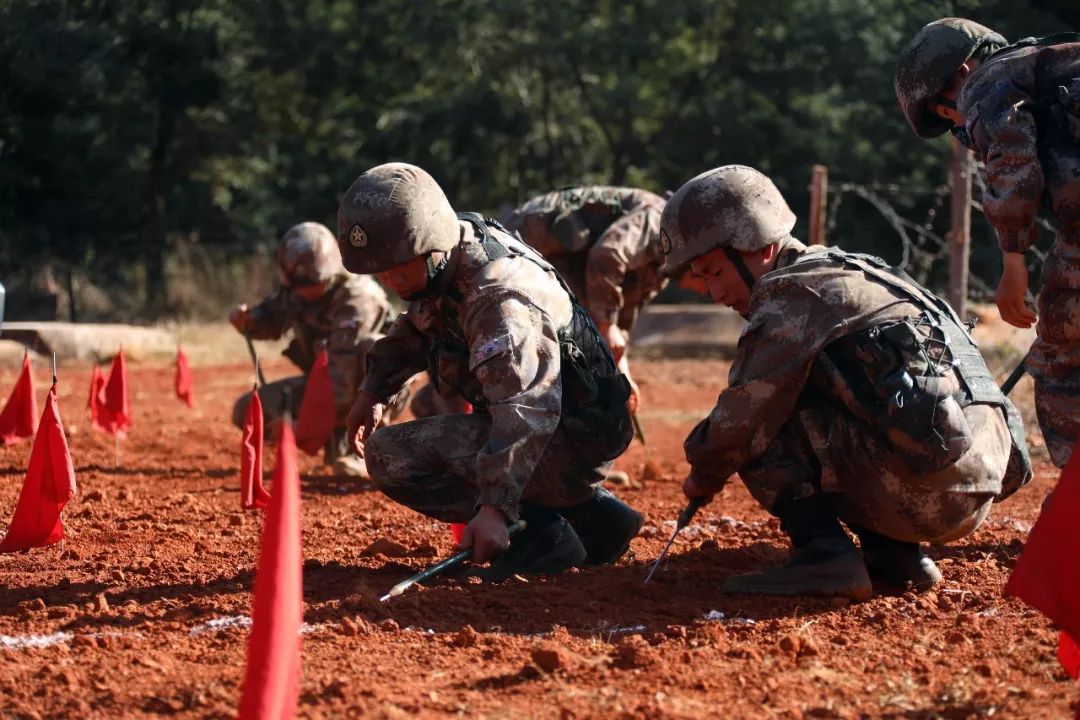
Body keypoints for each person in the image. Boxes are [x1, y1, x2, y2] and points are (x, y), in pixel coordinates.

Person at [660, 165, 1032, 599]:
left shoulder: (792, 296)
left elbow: (737, 421)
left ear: (755, 245)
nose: (714, 293)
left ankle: (823, 556)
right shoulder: (857, 271)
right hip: (978, 477)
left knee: (760, 416)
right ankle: (894, 556)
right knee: (839, 391)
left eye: (714, 272)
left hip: (930, 489)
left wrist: (702, 475)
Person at [337, 162, 642, 579]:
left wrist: (497, 508)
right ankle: (596, 520)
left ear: (430, 245)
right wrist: (373, 391)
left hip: (562, 435)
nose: (390, 280)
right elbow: (419, 325)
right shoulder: (448, 256)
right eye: (381, 270)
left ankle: (537, 535)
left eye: (398, 267)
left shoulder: (497, 296)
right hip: (569, 430)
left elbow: (526, 407)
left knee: (390, 455)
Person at [895, 18, 1080, 468]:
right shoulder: (1052, 61)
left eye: (948, 116)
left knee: (1061, 354)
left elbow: (1013, 162)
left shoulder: (985, 82)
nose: (960, 127)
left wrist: (1013, 260)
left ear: (958, 75)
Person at [508, 186, 669, 482]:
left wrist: (623, 372)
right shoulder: (659, 217)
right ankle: (560, 466)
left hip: (561, 258)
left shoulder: (662, 260)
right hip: (529, 240)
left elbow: (620, 319)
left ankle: (571, 463)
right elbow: (607, 254)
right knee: (567, 356)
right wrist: (606, 327)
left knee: (588, 357)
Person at [228, 221, 397, 479]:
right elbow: (269, 319)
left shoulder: (357, 298)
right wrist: (247, 322)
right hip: (324, 385)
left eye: (311, 282)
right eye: (298, 284)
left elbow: (344, 377)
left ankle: (367, 452)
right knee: (251, 410)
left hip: (366, 392)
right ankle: (335, 444)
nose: (304, 291)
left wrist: (304, 427)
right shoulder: (296, 291)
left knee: (371, 348)